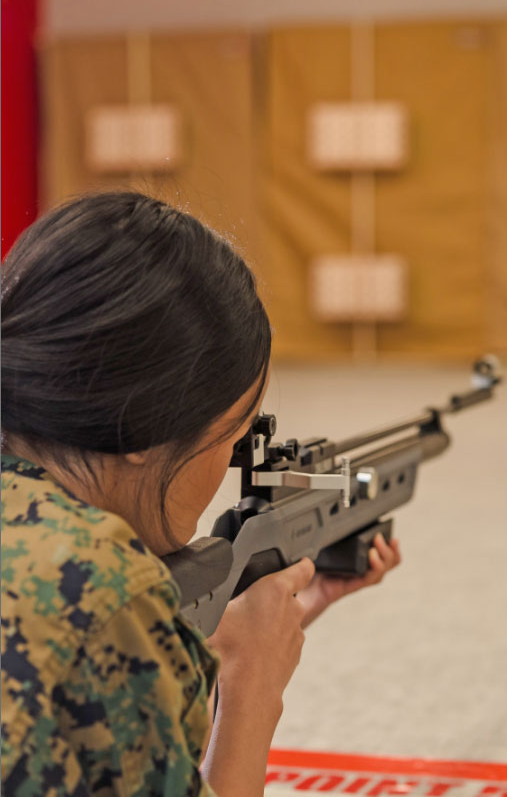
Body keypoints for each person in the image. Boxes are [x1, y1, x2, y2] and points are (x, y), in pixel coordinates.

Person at [0, 191, 401, 797]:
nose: (233, 465)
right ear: (142, 427)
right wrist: (252, 689)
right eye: (236, 438)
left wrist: (251, 627)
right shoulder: (105, 583)